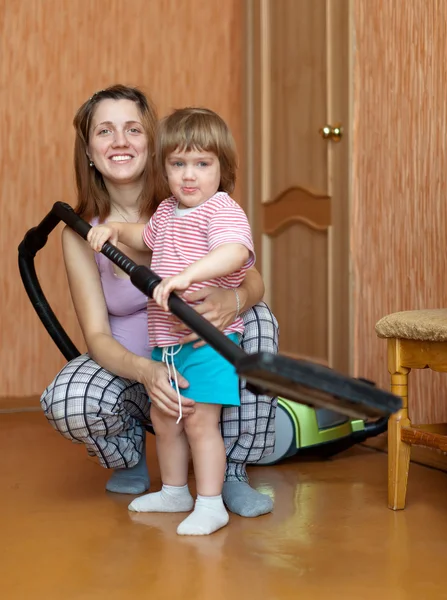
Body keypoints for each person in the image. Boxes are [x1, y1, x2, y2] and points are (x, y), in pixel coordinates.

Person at [40, 85, 279, 520]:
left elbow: (249, 271)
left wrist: (235, 298)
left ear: (153, 145)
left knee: (259, 319)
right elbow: (95, 334)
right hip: (140, 362)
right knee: (69, 397)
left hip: (201, 350)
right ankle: (134, 457)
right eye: (105, 132)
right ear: (89, 151)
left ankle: (233, 471)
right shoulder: (81, 232)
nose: (120, 142)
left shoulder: (185, 202)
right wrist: (148, 372)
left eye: (133, 129)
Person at [88, 107, 256, 535]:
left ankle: (212, 502)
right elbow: (142, 234)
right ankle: (175, 491)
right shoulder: (167, 212)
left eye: (202, 164)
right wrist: (112, 231)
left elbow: (235, 253)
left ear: (224, 168)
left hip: (208, 343)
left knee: (201, 421)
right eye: (178, 164)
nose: (189, 175)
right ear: (164, 168)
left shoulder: (221, 209)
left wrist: (187, 276)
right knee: (167, 419)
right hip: (167, 343)